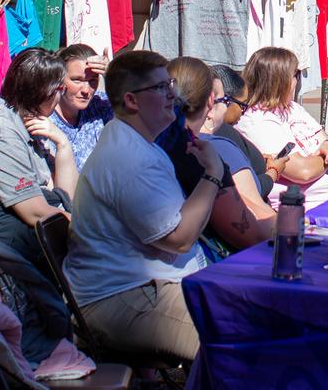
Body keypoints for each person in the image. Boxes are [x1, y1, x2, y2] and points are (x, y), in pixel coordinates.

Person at [66, 50, 226, 365]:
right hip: (122, 298)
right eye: (160, 88)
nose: (172, 95)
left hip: (149, 287)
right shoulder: (129, 158)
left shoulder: (139, 145)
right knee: (236, 339)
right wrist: (213, 174)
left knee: (252, 315)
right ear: (132, 101)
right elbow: (179, 238)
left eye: (171, 86)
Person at [0, 48, 80, 265]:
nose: (61, 96)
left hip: (25, 230)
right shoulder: (1, 133)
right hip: (5, 239)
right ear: (41, 91)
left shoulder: (29, 121)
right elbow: (34, 213)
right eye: (60, 89)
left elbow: (66, 196)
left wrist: (63, 144)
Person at [166, 57, 276, 252]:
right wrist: (292, 221)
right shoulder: (209, 149)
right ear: (210, 101)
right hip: (203, 271)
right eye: (225, 100)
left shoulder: (150, 142)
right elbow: (252, 232)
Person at [236, 46, 328, 209]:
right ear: (279, 81)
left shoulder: (293, 108)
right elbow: (303, 172)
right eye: (296, 75)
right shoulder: (256, 120)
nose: (298, 81)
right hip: (303, 211)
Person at [208, 64, 274, 198]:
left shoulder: (219, 132)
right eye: (242, 105)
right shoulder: (219, 134)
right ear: (224, 99)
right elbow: (247, 191)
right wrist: (273, 173)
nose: (244, 112)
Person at [51, 44, 113, 168]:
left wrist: (112, 76)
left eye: (92, 81)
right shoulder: (46, 121)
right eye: (77, 80)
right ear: (59, 79)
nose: (86, 90)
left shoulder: (100, 105)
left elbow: (136, 117)